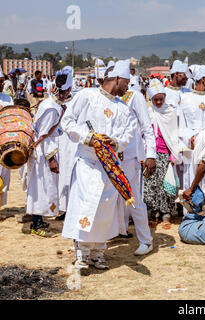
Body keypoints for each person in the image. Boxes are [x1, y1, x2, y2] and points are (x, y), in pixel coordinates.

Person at [61, 59, 137, 270]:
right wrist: (88, 138)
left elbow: (129, 134)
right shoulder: (87, 96)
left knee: (105, 211)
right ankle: (82, 254)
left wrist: (116, 142)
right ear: (117, 79)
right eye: (126, 83)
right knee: (86, 206)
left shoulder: (123, 108)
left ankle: (98, 253)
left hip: (109, 167)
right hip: (87, 163)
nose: (127, 88)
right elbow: (67, 122)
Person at [25, 66, 74, 237]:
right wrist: (51, 158)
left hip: (46, 151)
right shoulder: (52, 107)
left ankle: (39, 220)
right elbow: (45, 135)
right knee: (41, 187)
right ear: (66, 89)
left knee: (45, 187)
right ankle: (36, 224)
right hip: (44, 153)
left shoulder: (53, 104)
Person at [119, 74, 157, 256]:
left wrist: (150, 154)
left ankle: (146, 240)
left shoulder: (135, 96)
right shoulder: (106, 97)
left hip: (132, 157)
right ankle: (118, 231)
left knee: (135, 200)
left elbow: (147, 127)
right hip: (112, 157)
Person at [178, 65, 205, 209]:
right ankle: (191, 213)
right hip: (192, 146)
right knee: (192, 176)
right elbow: (181, 124)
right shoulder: (185, 98)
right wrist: (190, 137)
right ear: (202, 79)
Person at [143, 79, 180, 229]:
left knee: (165, 185)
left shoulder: (171, 112)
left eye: (161, 99)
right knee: (151, 184)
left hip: (166, 153)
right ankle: (154, 213)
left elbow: (174, 134)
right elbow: (144, 133)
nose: (158, 102)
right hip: (151, 154)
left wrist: (174, 154)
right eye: (155, 99)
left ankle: (166, 214)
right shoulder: (148, 112)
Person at [0, 68, 13, 210]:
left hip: (3, 140)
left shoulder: (7, 98)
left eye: (2, 82)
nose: (2, 84)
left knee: (3, 174)